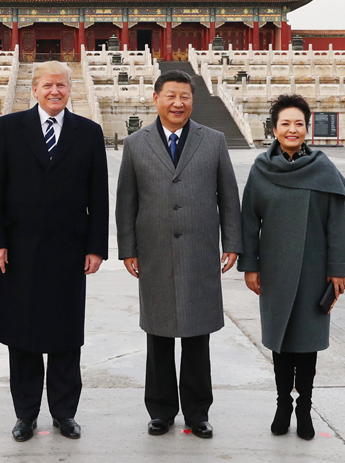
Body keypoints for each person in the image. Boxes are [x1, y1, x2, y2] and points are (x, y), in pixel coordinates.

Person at [0, 61, 109, 442]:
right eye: (48, 85)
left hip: (69, 250)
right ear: (34, 90)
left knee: (66, 335)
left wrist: (96, 247)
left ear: (70, 89)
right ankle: (25, 414)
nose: (55, 91)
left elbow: (99, 196)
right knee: (22, 336)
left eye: (62, 85)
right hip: (18, 250)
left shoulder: (88, 132)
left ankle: (64, 413)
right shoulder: (9, 128)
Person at [116, 69, 242, 439]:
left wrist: (232, 242)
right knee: (157, 335)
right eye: (170, 96)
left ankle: (198, 412)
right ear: (155, 99)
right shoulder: (136, 144)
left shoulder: (213, 140)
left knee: (197, 335)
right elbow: (126, 201)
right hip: (154, 251)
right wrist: (128, 249)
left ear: (192, 100)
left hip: (199, 250)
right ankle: (160, 410)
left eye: (185, 96)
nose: (178, 103)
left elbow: (228, 197)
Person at [238, 94, 345, 441]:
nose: (292, 129)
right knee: (281, 341)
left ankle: (304, 407)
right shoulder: (261, 169)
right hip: (275, 269)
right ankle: (282, 404)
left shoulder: (323, 169)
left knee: (307, 342)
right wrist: (251, 266)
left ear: (306, 128)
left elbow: (336, 223)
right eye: (285, 123)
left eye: (298, 123)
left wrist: (338, 268)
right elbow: (248, 222)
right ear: (274, 128)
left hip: (314, 269)